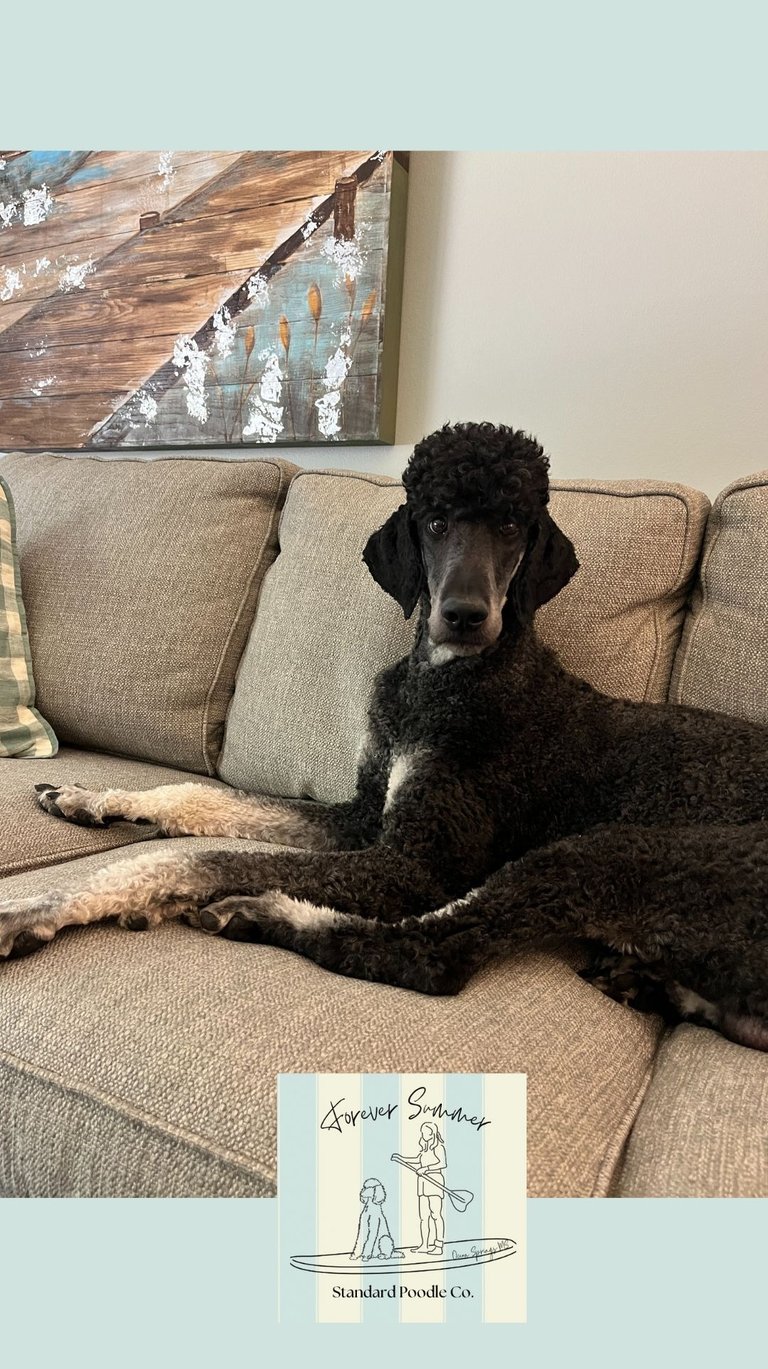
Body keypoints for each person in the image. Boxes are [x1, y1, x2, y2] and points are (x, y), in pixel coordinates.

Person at [393, 1122, 447, 1254]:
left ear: (431, 1133)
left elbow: (442, 1163)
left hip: (434, 1181)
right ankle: (424, 1244)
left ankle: (438, 1246)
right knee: (423, 1216)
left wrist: (426, 1169)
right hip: (422, 1183)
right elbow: (417, 1159)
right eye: (422, 1131)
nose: (422, 1134)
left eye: (424, 1131)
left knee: (435, 1214)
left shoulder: (439, 1147)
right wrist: (402, 1158)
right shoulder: (425, 1148)